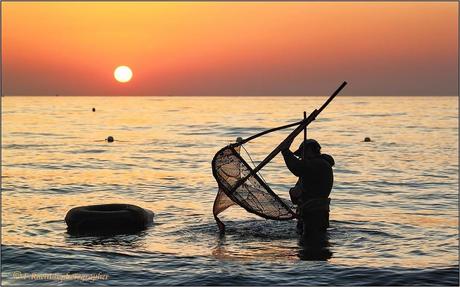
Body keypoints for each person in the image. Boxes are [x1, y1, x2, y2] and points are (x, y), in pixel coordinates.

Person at [281, 138, 334, 239]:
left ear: (309, 150)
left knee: (313, 244)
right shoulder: (309, 169)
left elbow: (296, 167)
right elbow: (296, 196)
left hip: (315, 215)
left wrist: (285, 151)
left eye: (301, 154)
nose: (301, 157)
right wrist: (293, 192)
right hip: (307, 214)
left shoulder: (320, 164)